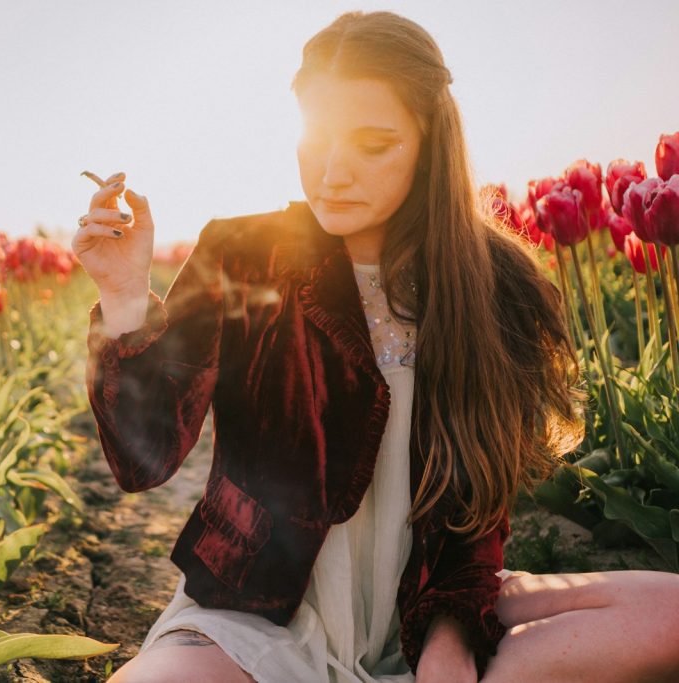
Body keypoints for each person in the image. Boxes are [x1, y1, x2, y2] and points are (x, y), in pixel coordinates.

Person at [71, 10, 679, 683]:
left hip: (429, 606)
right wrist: (126, 296)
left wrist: (448, 645)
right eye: (319, 139)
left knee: (671, 613)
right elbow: (143, 460)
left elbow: (476, 515)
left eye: (372, 144)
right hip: (255, 615)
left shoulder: (490, 284)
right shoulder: (244, 253)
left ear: (429, 142)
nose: (333, 172)